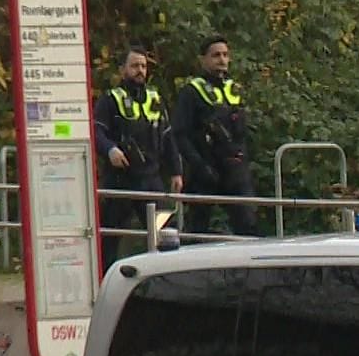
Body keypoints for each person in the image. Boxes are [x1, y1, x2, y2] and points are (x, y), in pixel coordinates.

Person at [93, 46, 182, 267]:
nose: (140, 70)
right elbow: (96, 131)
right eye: (134, 66)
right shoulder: (110, 99)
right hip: (120, 178)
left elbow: (168, 137)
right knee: (110, 238)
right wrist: (110, 149)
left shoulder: (155, 99)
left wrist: (176, 171)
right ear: (123, 69)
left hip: (150, 178)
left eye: (143, 66)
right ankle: (105, 282)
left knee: (165, 236)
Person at [172, 34, 256, 239]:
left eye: (225, 55)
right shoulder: (191, 92)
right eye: (216, 55)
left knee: (248, 226)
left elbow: (243, 132)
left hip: (234, 169)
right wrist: (199, 166)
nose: (222, 60)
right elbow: (180, 134)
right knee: (198, 231)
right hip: (206, 171)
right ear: (203, 59)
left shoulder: (234, 90)